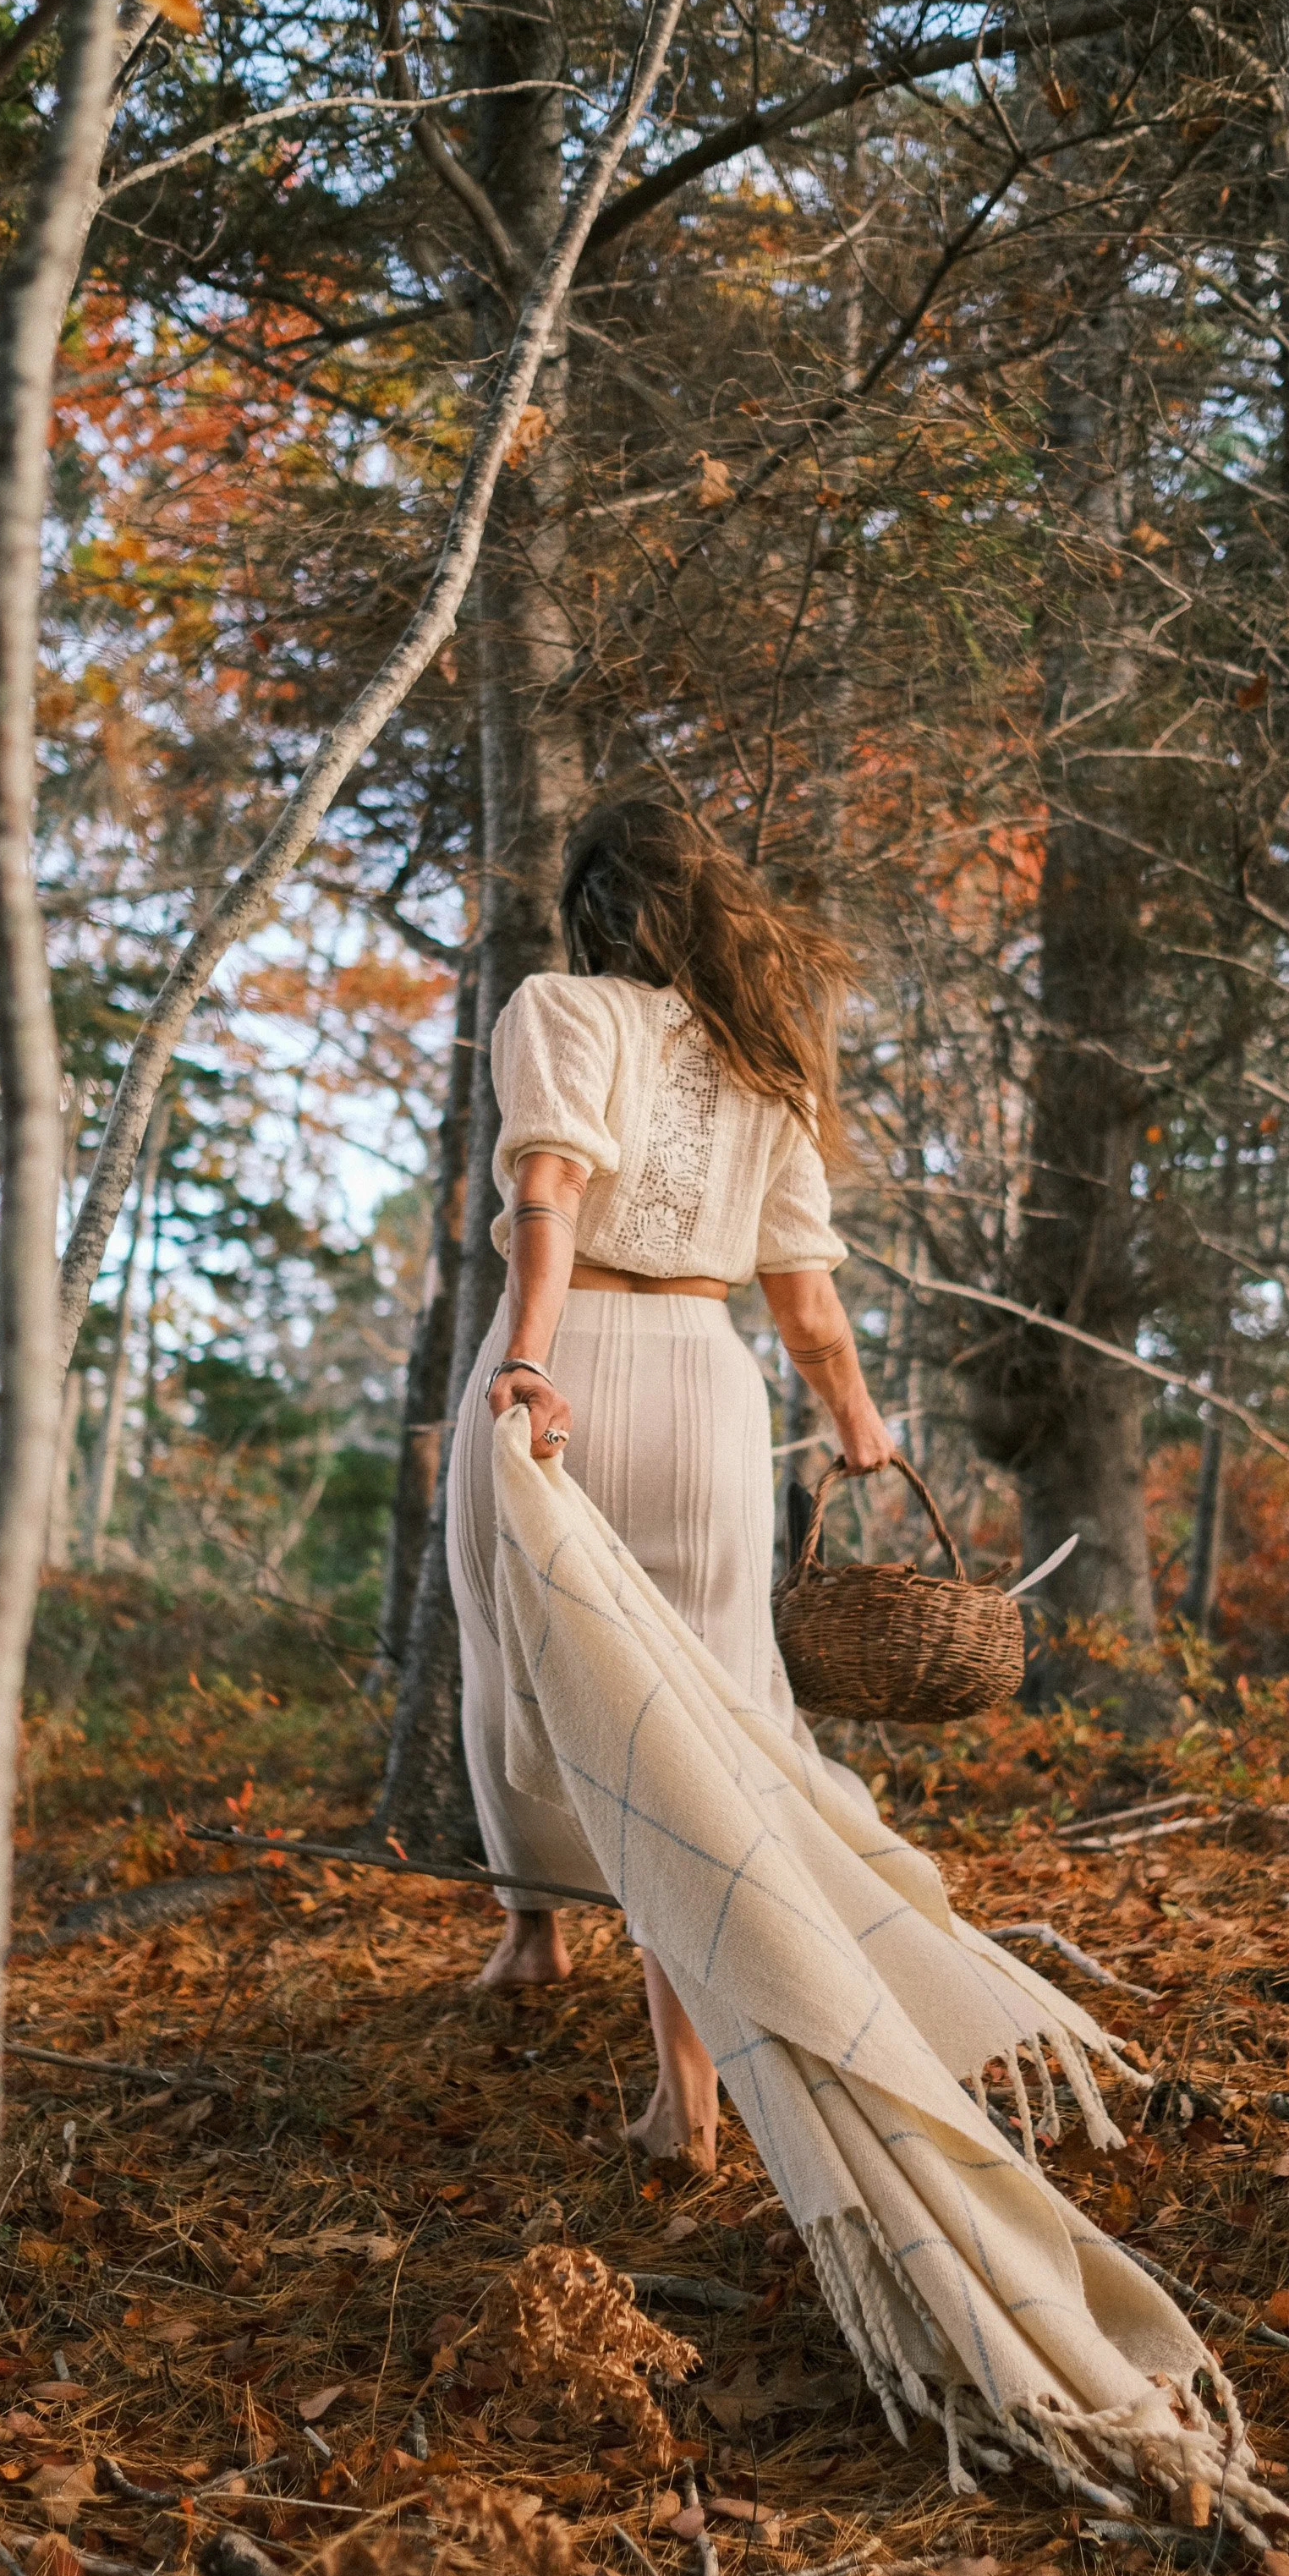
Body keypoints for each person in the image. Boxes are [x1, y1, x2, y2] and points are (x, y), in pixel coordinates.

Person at [446, 794, 897, 2172]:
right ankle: (688, 2096)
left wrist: (526, 1361)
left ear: (590, 908)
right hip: (706, 1385)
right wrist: (861, 1421)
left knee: (516, 1666)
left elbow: (551, 1195)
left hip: (569, 1359)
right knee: (693, 1726)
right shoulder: (767, 1059)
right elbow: (806, 1302)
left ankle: (537, 1932)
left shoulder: (562, 1008)